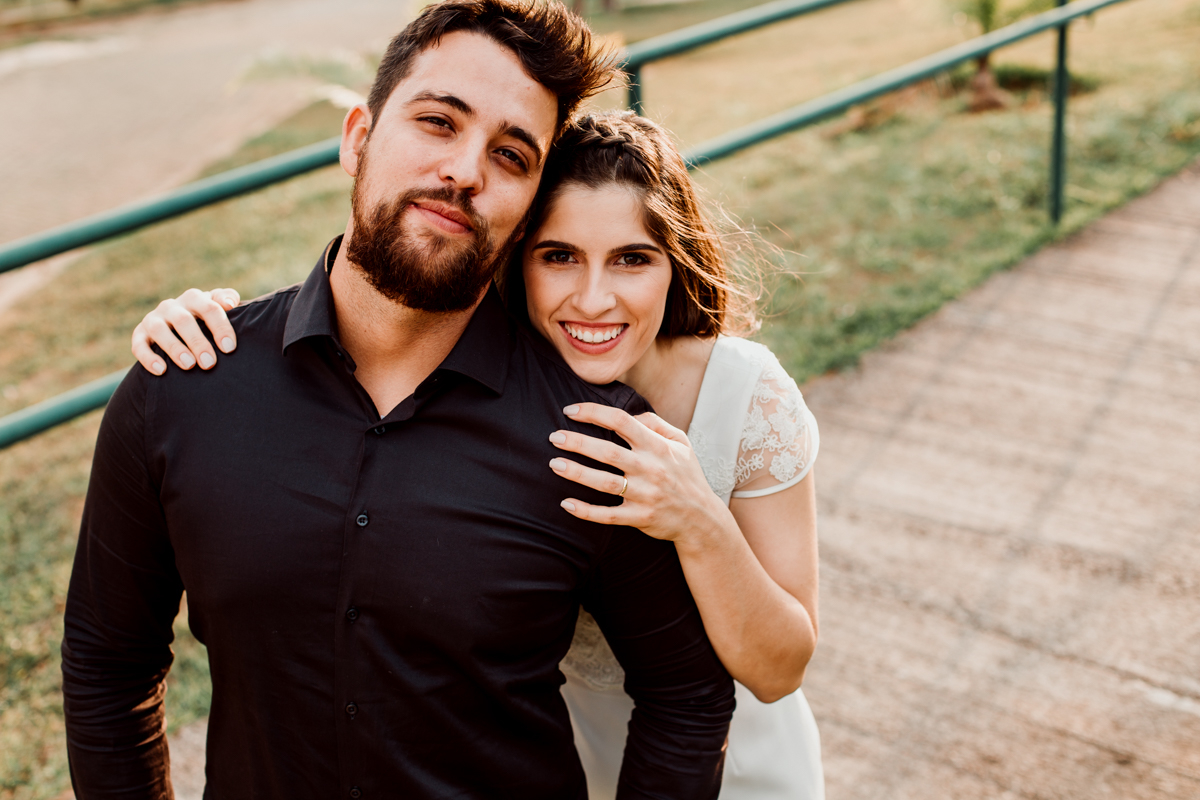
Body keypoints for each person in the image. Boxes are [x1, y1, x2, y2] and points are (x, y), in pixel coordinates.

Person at [61, 3, 737, 799]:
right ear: (358, 138)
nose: (465, 171)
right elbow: (110, 663)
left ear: (524, 219)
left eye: (511, 155)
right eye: (437, 122)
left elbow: (688, 693)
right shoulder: (182, 388)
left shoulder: (595, 435)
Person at [133, 111, 825, 799]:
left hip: (738, 769)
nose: (593, 298)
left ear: (676, 260)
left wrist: (697, 518)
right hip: (560, 758)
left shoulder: (745, 398)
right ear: (513, 258)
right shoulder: (486, 392)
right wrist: (205, 325)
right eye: (559, 257)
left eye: (632, 259)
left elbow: (779, 668)